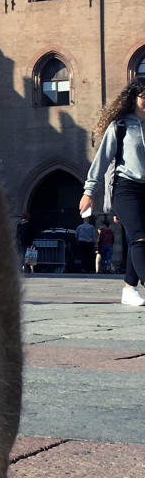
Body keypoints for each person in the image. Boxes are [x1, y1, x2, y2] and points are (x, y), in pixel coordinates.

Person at [80, 76, 145, 308]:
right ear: (134, 98)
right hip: (126, 188)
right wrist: (89, 191)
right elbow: (102, 159)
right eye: (144, 96)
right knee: (139, 237)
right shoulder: (120, 125)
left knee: (140, 240)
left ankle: (129, 289)